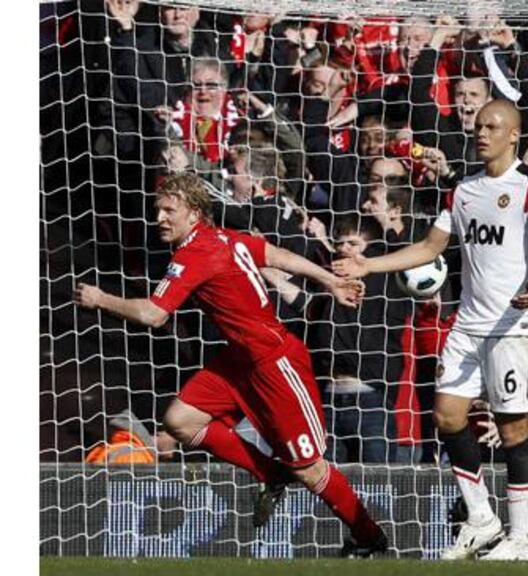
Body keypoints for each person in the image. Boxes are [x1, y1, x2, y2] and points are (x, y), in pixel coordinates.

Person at [72, 173, 387, 557]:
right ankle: (269, 473)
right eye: (157, 209)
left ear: (194, 214)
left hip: (275, 361)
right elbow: (275, 254)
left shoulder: (197, 252)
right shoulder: (222, 238)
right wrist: (327, 280)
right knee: (180, 421)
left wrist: (101, 298)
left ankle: (368, 537)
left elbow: (154, 314)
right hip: (239, 360)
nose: (160, 217)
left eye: (169, 210)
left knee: (308, 467)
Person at [334, 99, 528, 561]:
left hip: (514, 327)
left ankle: (523, 538)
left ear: (513, 135)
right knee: (447, 416)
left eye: (492, 126)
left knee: (513, 426)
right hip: (469, 323)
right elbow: (429, 246)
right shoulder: (462, 191)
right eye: (478, 126)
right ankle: (481, 519)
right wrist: (368, 264)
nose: (482, 133)